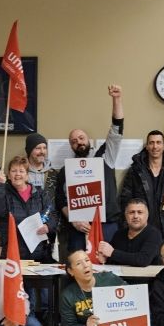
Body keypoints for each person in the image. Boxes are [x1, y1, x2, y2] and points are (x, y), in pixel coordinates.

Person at [55, 85, 125, 251]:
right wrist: (73, 219)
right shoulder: (66, 170)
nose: (78, 142)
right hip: (79, 228)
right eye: (73, 141)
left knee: (108, 269)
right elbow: (61, 200)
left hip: (107, 225)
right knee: (78, 271)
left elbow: (117, 129)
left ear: (89, 139)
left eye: (81, 137)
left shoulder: (105, 156)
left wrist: (117, 99)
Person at [119, 130, 164, 238]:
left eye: (158, 142)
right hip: (143, 229)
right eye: (151, 143)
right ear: (147, 146)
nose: (155, 146)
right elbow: (125, 199)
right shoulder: (135, 170)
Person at [0, 156, 58, 263]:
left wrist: (48, 226)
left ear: (27, 175)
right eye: (13, 171)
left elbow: (52, 214)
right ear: (9, 175)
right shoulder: (2, 191)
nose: (17, 174)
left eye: (21, 171)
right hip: (10, 254)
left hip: (37, 254)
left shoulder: (40, 194)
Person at [97, 198, 162, 266]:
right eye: (131, 212)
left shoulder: (154, 234)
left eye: (140, 212)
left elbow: (143, 260)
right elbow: (111, 257)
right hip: (119, 276)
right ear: (125, 215)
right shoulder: (119, 234)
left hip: (146, 276)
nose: (135, 216)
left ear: (147, 215)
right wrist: (105, 259)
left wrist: (113, 253)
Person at [25, 132, 58, 197]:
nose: (42, 152)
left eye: (44, 148)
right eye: (38, 148)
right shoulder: (20, 173)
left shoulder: (54, 174)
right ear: (29, 151)